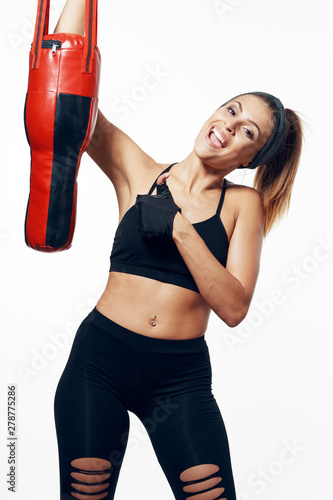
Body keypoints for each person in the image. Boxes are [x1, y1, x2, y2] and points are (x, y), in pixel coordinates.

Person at [52, 1, 303, 499]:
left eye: (247, 132)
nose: (230, 126)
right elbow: (63, 90)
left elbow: (233, 307)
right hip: (98, 361)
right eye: (232, 110)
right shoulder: (139, 171)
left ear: (251, 158)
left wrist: (182, 230)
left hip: (179, 379)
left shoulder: (242, 205)